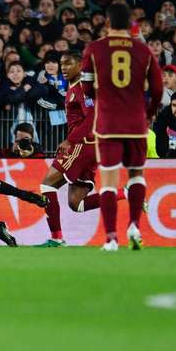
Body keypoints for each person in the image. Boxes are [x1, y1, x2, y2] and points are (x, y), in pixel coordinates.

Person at [81, 3, 163, 251]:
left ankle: (111, 238)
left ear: (107, 23)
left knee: (108, 181)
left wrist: (99, 99)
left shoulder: (94, 49)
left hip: (107, 125)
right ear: (131, 25)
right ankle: (135, 226)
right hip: (137, 125)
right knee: (136, 176)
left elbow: (85, 87)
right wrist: (147, 114)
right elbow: (158, 90)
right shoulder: (143, 50)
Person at [36, 50, 126, 247]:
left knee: (47, 185)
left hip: (83, 145)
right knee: (76, 203)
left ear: (80, 65)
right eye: (62, 64)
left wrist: (71, 139)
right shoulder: (76, 88)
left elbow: (93, 117)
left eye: (68, 63)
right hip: (88, 146)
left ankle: (57, 238)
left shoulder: (84, 89)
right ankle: (125, 193)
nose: (64, 68)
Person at [153, 91, 176, 158]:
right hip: (168, 156)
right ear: (170, 105)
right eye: (174, 105)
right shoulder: (163, 117)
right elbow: (160, 149)